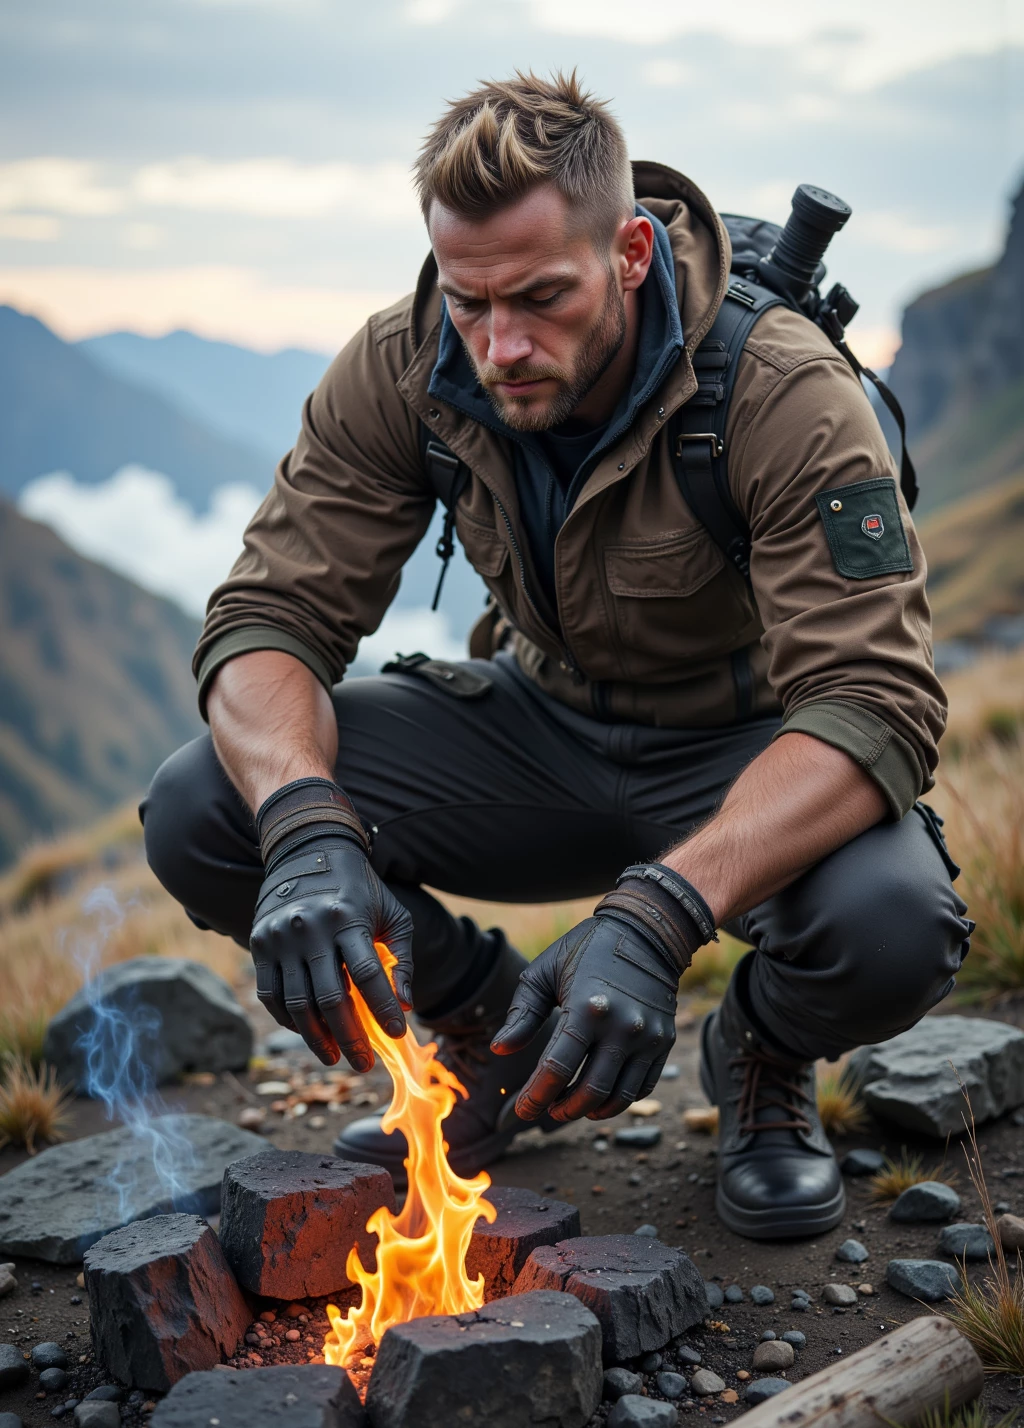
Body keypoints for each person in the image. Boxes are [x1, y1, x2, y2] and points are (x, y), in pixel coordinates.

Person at [142, 70, 971, 1241]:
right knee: (204, 810)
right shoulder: (404, 362)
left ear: (629, 253)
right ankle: (485, 1024)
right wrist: (304, 824)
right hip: (532, 730)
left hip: (744, 754)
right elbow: (267, 617)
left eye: (541, 297)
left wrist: (658, 916)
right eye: (471, 302)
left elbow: (873, 701)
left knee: (894, 927)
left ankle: (761, 1052)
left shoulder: (780, 388)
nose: (501, 345)